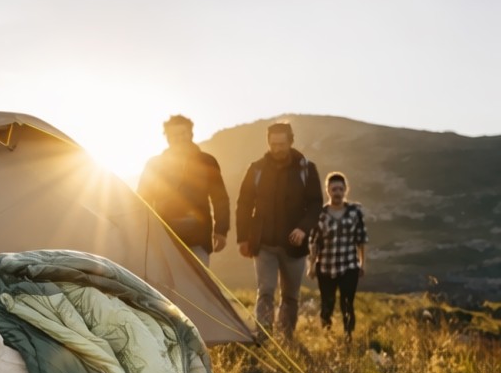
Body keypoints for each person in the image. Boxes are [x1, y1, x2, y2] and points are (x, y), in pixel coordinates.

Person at [234, 120, 323, 340]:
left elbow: (315, 204)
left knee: (291, 296)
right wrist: (243, 238)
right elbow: (244, 204)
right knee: (265, 291)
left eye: (282, 144)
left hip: (295, 246)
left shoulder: (306, 169)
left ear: (291, 141)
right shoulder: (256, 169)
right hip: (263, 242)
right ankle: (263, 337)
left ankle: (286, 339)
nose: (277, 149)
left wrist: (303, 229)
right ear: (268, 142)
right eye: (273, 144)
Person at [136, 114, 229, 259]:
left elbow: (220, 198)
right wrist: (142, 231)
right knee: (165, 282)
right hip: (164, 236)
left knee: (198, 281)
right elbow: (142, 200)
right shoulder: (155, 165)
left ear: (191, 133)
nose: (179, 138)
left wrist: (221, 231)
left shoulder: (207, 161)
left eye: (183, 133)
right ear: (166, 137)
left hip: (199, 238)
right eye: (174, 135)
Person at [309, 171, 367, 341]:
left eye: (340, 189)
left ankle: (348, 335)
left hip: (349, 265)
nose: (337, 192)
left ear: (346, 190)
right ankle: (327, 335)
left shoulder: (355, 212)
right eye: (334, 189)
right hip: (326, 266)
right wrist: (311, 266)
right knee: (327, 303)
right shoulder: (320, 214)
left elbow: (361, 240)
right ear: (328, 190)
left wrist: (362, 264)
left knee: (347, 302)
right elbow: (314, 242)